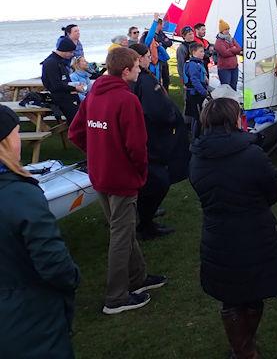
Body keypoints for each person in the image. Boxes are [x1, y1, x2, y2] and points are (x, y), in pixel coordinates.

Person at [68, 47, 167, 314]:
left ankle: (137, 278)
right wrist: (139, 172)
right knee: (121, 234)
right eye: (136, 65)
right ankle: (116, 297)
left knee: (123, 226)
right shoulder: (126, 100)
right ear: (125, 71)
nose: (139, 69)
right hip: (120, 177)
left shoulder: (94, 94)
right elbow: (137, 146)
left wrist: (98, 152)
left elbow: (76, 132)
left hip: (100, 173)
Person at [190, 98, 277, 359]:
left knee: (233, 296)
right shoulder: (252, 154)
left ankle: (243, 347)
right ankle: (245, 351)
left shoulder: (198, 156)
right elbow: (273, 189)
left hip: (220, 233)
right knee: (250, 295)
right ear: (234, 120)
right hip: (253, 232)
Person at [0, 106, 81, 359]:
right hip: (28, 319)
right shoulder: (19, 195)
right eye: (16, 133)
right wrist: (73, 277)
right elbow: (54, 263)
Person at [129, 43, 183, 240]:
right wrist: (170, 119)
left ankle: (145, 215)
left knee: (151, 180)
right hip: (152, 138)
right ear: (140, 58)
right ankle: (145, 222)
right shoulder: (142, 81)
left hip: (148, 137)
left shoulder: (140, 78)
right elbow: (156, 110)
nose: (149, 57)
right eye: (146, 55)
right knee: (159, 180)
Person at [41, 37, 81, 123]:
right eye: (71, 52)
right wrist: (74, 88)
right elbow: (56, 85)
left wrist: (74, 87)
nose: (72, 54)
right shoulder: (51, 63)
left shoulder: (59, 61)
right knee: (77, 119)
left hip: (67, 94)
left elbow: (65, 80)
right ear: (64, 50)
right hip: (59, 97)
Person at [184, 42, 210, 138]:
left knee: (198, 116)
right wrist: (204, 92)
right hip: (195, 94)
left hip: (198, 93)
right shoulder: (193, 64)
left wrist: (206, 79)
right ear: (194, 52)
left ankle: (197, 134)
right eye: (201, 51)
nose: (203, 53)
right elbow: (194, 80)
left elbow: (201, 75)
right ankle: (195, 137)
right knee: (197, 116)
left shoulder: (198, 63)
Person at [215, 19, 243, 90]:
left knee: (234, 86)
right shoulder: (219, 41)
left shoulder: (231, 39)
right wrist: (233, 49)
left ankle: (233, 100)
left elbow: (239, 48)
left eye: (228, 29)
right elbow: (224, 53)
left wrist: (230, 50)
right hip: (224, 68)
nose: (227, 31)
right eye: (225, 29)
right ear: (221, 31)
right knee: (226, 87)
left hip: (234, 67)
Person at [154, 19, 174, 90]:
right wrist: (164, 42)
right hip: (157, 59)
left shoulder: (161, 33)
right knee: (158, 78)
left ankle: (166, 94)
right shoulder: (152, 34)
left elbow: (170, 43)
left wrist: (161, 43)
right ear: (158, 25)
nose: (163, 26)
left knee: (166, 78)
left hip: (164, 59)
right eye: (162, 24)